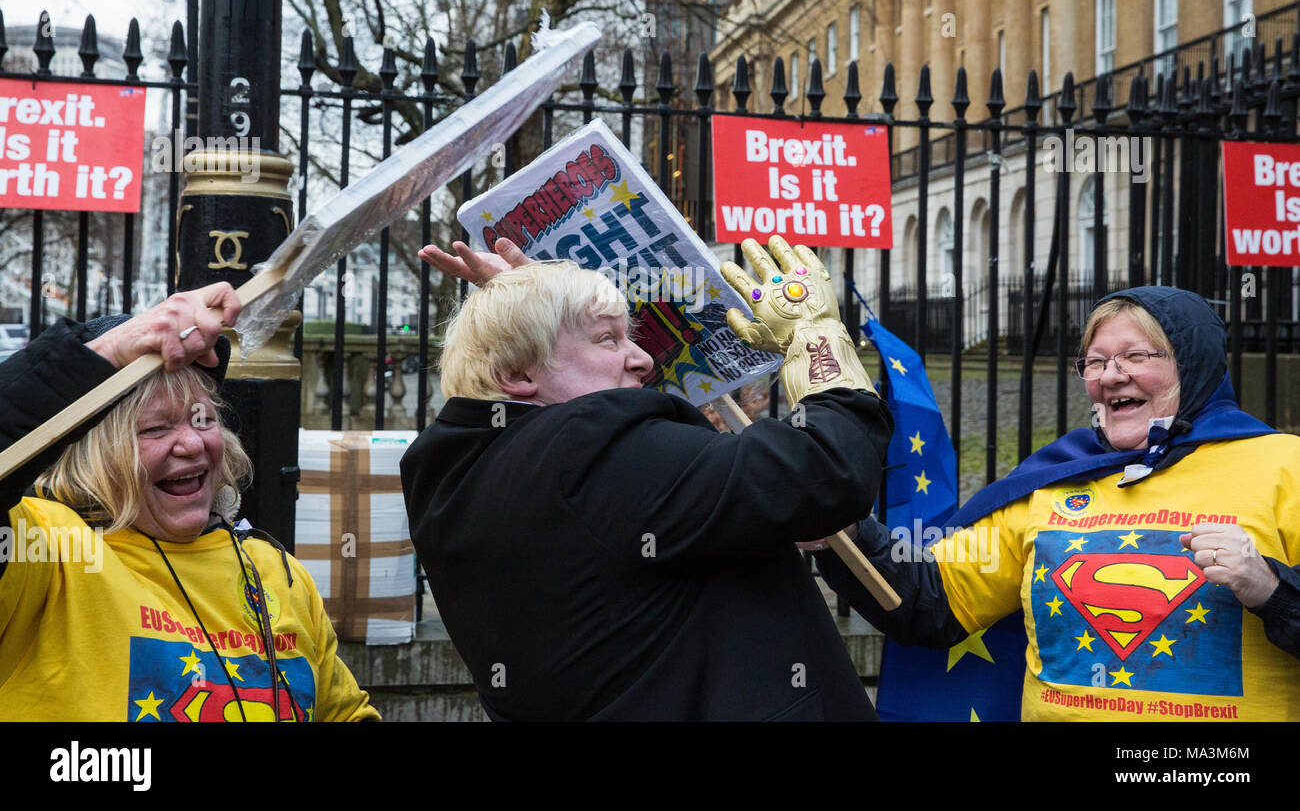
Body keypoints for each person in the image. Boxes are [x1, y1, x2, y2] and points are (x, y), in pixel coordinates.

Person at [401, 236, 893, 720]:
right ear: (515, 372)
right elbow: (827, 470)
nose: (643, 359)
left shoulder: (451, 473)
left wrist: (530, 314)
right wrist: (817, 334)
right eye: (608, 339)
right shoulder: (588, 447)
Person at [816, 285, 1300, 720]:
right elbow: (932, 599)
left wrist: (1272, 591)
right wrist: (837, 524)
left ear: (1193, 364)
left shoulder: (1284, 467)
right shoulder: (1054, 480)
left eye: (1135, 355)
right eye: (1095, 360)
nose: (1111, 376)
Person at [0, 283, 379, 721]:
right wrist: (107, 352)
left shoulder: (276, 571)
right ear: (92, 454)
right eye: (156, 429)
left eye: (203, 419)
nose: (191, 444)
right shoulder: (45, 548)